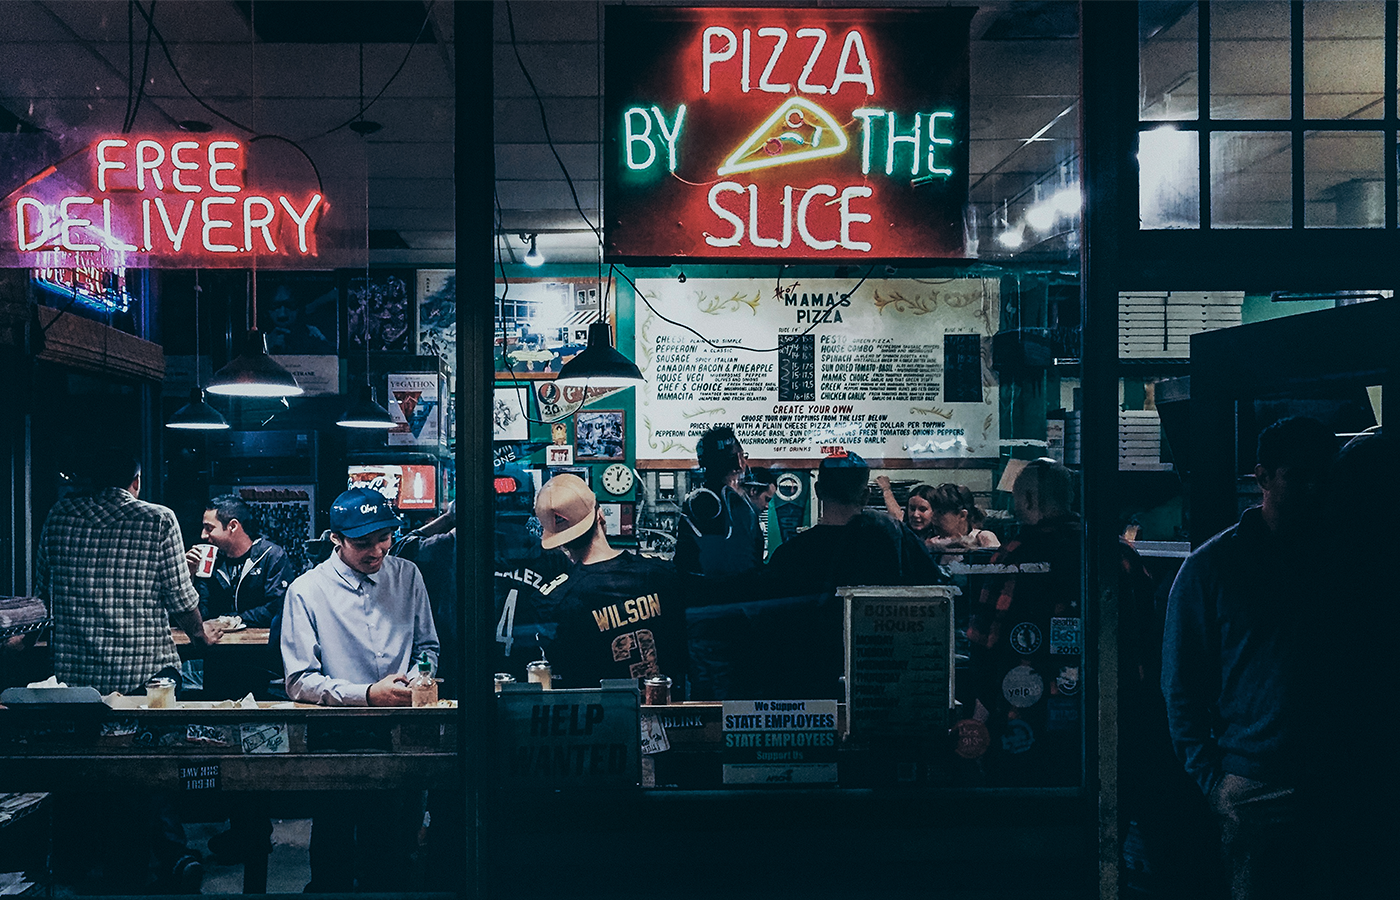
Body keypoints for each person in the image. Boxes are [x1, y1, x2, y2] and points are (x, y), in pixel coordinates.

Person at [1162, 416, 1336, 900]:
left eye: (1322, 474)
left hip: (1332, 775)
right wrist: (1215, 782)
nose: (1314, 488)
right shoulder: (1211, 569)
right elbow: (1180, 686)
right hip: (1255, 783)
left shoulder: (1343, 557)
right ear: (1261, 477)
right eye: (1297, 475)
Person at [36, 450, 220, 893]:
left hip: (78, 685)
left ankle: (78, 879)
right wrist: (202, 639)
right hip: (146, 682)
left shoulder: (60, 515)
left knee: (83, 788)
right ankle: (143, 874)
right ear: (135, 481)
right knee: (144, 784)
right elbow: (181, 600)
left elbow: (45, 592)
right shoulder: (158, 520)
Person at [281, 487, 440, 893]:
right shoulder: (306, 590)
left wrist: (420, 677)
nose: (377, 552)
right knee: (334, 843)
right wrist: (368, 694)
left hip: (403, 728)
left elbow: (428, 647)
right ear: (336, 539)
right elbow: (299, 680)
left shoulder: (407, 575)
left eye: (384, 538)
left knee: (393, 846)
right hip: (336, 732)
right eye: (363, 543)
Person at [965, 458, 1082, 786]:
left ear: (1029, 499)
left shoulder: (1014, 558)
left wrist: (976, 727)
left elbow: (984, 649)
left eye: (1017, 497)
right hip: (1099, 724)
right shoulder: (1116, 554)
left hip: (1024, 723)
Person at [534, 474, 685, 691]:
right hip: (666, 709)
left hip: (600, 718)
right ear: (601, 516)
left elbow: (562, 680)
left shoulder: (556, 600)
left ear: (559, 542)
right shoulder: (661, 574)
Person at [674, 425, 764, 578]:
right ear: (738, 461)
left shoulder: (700, 501)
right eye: (743, 456)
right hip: (731, 595)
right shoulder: (729, 503)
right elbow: (736, 561)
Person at [922, 483, 1000, 560]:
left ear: (962, 515)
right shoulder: (932, 543)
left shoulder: (983, 538)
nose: (934, 518)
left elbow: (999, 567)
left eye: (941, 513)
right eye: (933, 512)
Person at [874, 475, 937, 542]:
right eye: (912, 509)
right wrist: (886, 489)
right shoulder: (903, 532)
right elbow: (896, 515)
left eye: (922, 509)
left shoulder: (942, 538)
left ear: (935, 511)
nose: (915, 514)